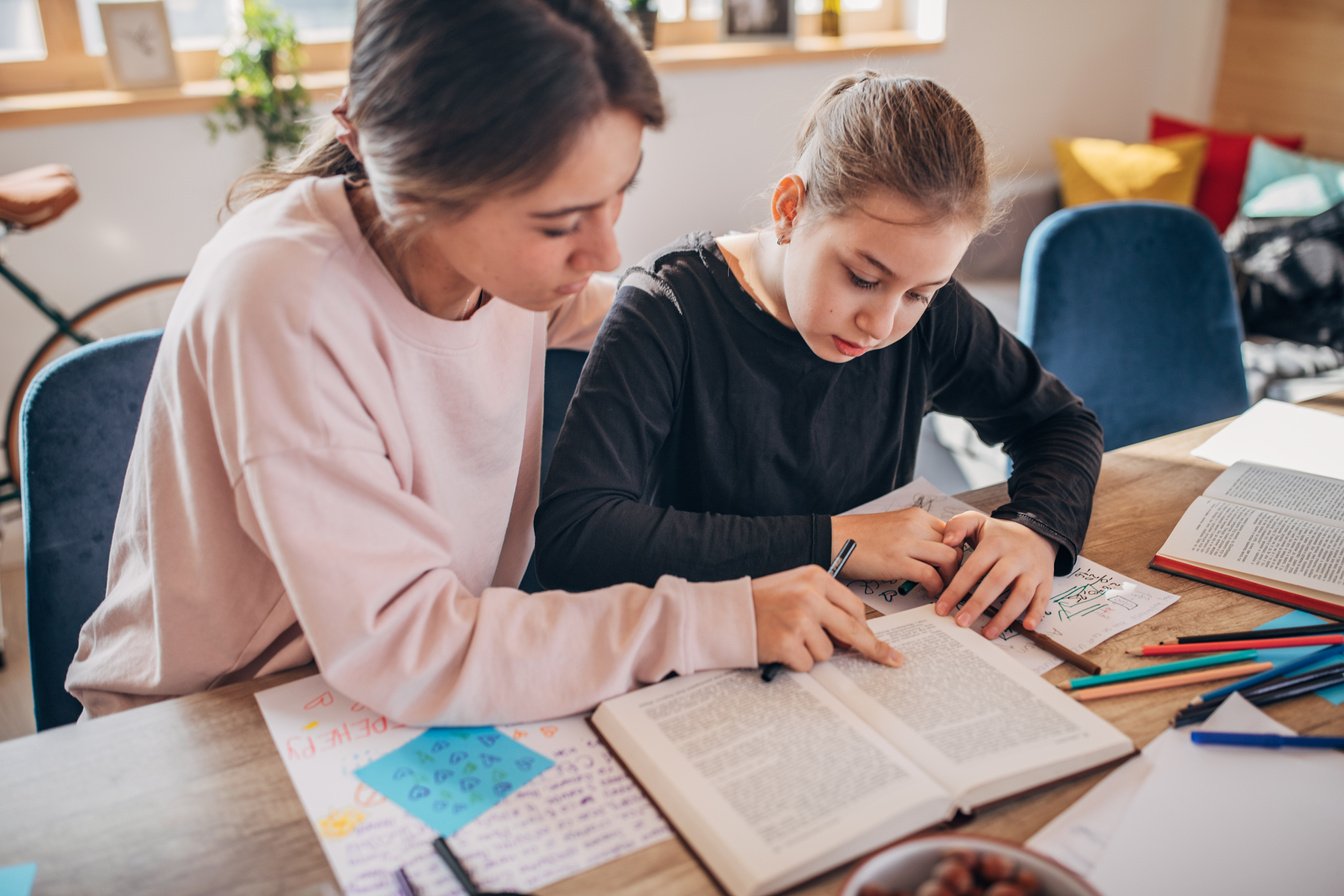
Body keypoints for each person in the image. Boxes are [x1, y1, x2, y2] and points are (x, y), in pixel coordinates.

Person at [66, 0, 900, 725]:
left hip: (394, 678)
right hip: (219, 714)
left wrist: (773, 287)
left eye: (619, 194)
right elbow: (412, 646)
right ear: (415, 186)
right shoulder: (283, 300)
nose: (605, 248)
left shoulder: (507, 273)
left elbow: (636, 306)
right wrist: (719, 617)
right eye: (558, 221)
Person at [535, 72, 1104, 640]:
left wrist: (1034, 528)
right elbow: (577, 534)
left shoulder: (934, 316)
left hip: (871, 641)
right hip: (704, 645)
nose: (881, 325)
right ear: (789, 210)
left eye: (918, 294)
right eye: (862, 278)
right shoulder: (669, 307)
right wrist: (837, 540)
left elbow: (1061, 422)